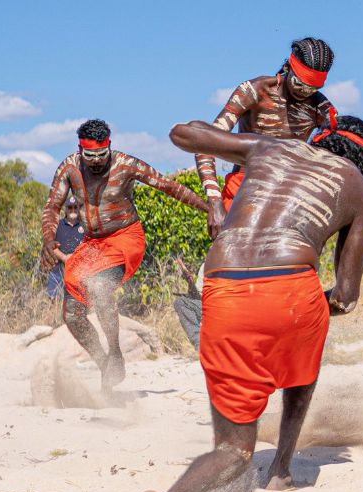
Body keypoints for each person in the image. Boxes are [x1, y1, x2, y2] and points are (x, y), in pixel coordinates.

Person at [137, 115, 363, 492]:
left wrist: (244, 135)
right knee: (302, 367)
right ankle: (278, 471)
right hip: (291, 286)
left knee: (231, 448)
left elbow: (182, 133)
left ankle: (195, 488)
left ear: (321, 140)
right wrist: (308, 312)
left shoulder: (271, 148)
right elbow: (345, 295)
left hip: (221, 289)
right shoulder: (357, 188)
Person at [40, 119, 208, 390]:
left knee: (99, 285)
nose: (95, 162)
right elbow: (52, 207)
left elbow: (168, 186)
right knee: (72, 314)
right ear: (80, 150)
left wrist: (209, 209)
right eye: (89, 156)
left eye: (101, 155)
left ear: (110, 147)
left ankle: (116, 352)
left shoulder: (126, 165)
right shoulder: (69, 167)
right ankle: (104, 362)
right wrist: (49, 239)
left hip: (124, 238)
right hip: (91, 244)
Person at [196, 37, 338, 237]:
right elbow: (204, 144)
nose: (303, 92)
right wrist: (215, 203)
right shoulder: (255, 91)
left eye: (312, 88)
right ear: (289, 66)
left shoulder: (321, 109)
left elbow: (341, 160)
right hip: (243, 190)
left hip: (290, 197)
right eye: (299, 83)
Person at [46, 197, 85, 299]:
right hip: (57, 271)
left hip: (78, 272)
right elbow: (50, 245)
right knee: (53, 301)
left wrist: (74, 257)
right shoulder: (57, 225)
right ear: (65, 209)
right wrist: (64, 257)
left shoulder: (84, 226)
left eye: (75, 207)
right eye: (70, 207)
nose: (72, 210)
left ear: (78, 208)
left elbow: (88, 246)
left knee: (76, 302)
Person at [172, 257, 204, 350]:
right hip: (211, 307)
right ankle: (200, 346)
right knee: (180, 302)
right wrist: (189, 280)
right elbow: (198, 295)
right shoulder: (206, 266)